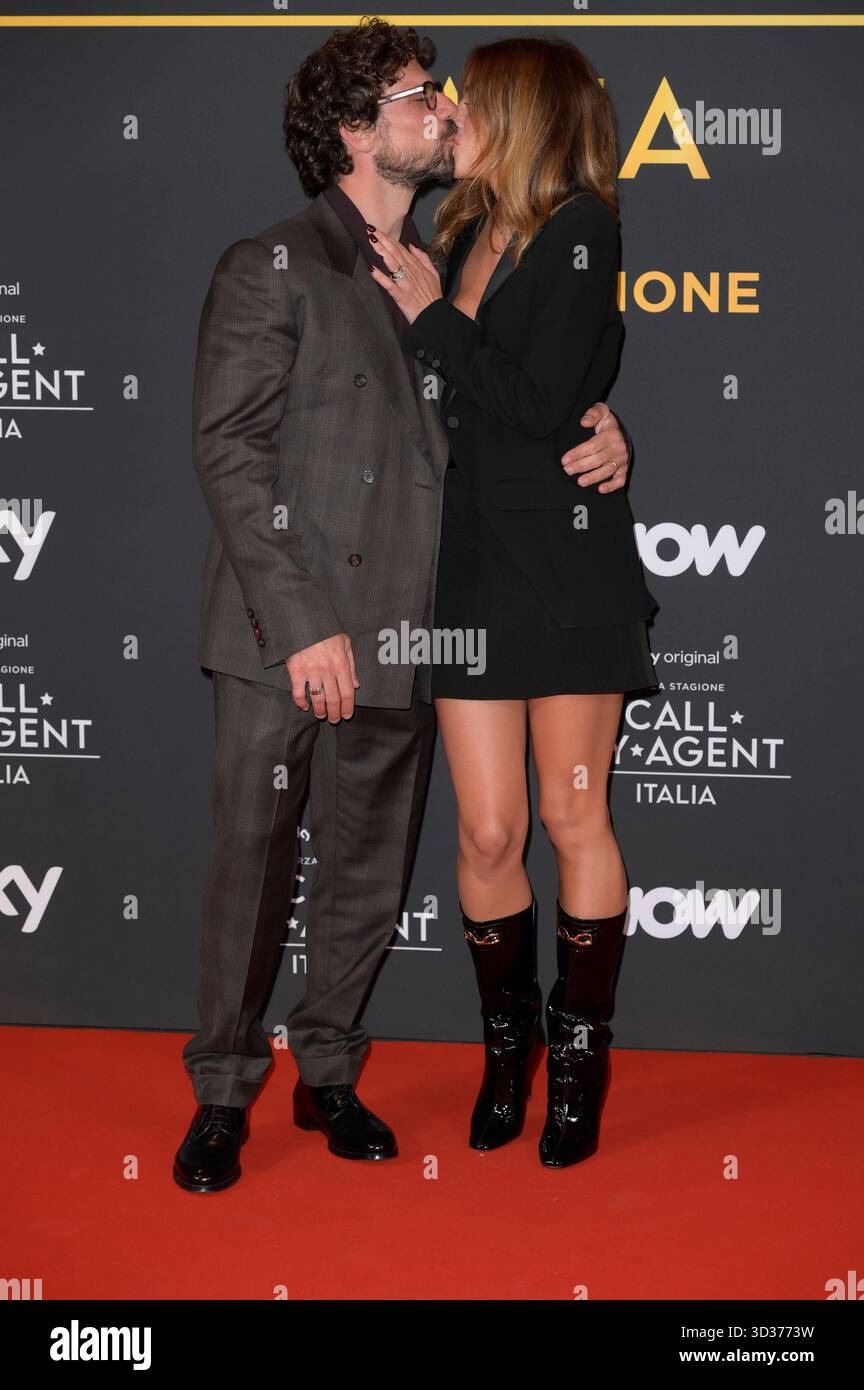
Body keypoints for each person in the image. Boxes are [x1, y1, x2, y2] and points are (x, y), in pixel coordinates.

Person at [174, 17, 636, 1193]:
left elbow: (509, 410)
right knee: (251, 861)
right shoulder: (272, 262)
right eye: (419, 93)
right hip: (287, 633)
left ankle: (330, 1071)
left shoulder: (457, 251)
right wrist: (303, 621)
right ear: (355, 130)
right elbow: (230, 454)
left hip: (418, 629)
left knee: (369, 873)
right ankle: (225, 1092)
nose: (440, 108)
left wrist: (601, 430)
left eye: (446, 92)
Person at [371, 34, 660, 1168]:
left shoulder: (584, 228)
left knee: (572, 815)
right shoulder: (454, 230)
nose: (448, 111)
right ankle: (509, 1052)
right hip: (467, 570)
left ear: (519, 113)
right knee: (489, 829)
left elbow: (540, 402)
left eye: (464, 98)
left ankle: (579, 1071)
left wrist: (438, 318)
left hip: (570, 574)